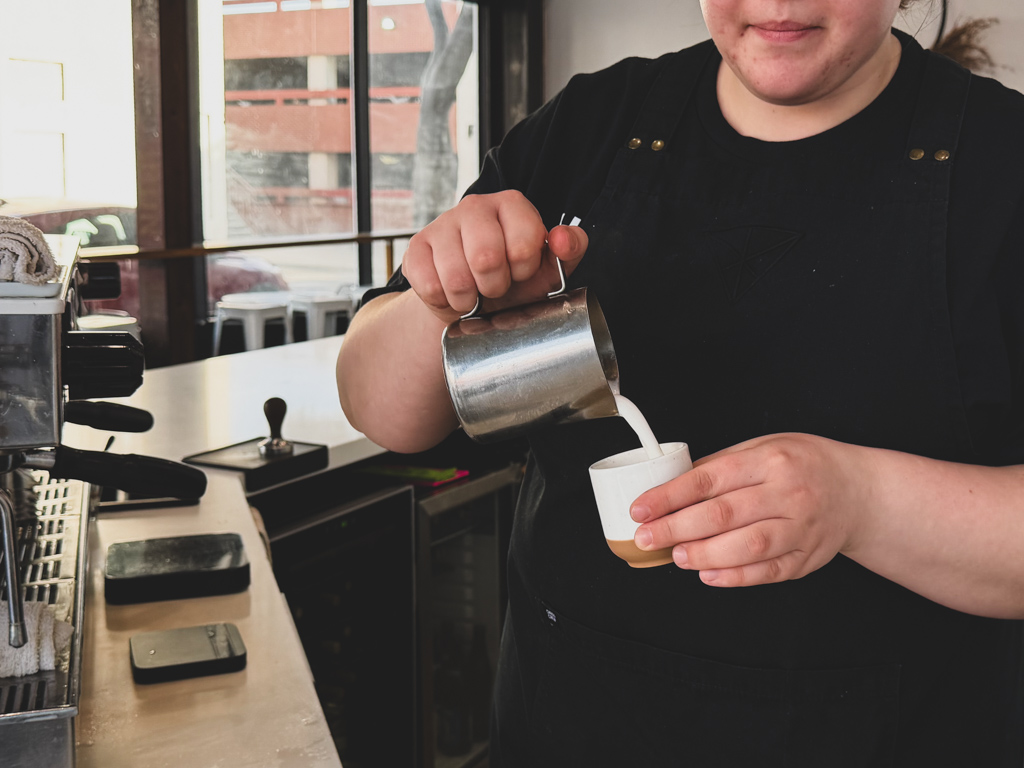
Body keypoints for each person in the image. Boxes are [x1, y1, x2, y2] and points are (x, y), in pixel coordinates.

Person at [337, 0, 1024, 764]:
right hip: (567, 727)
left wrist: (863, 501)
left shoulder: (1003, 163)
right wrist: (443, 298)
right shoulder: (594, 125)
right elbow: (380, 411)